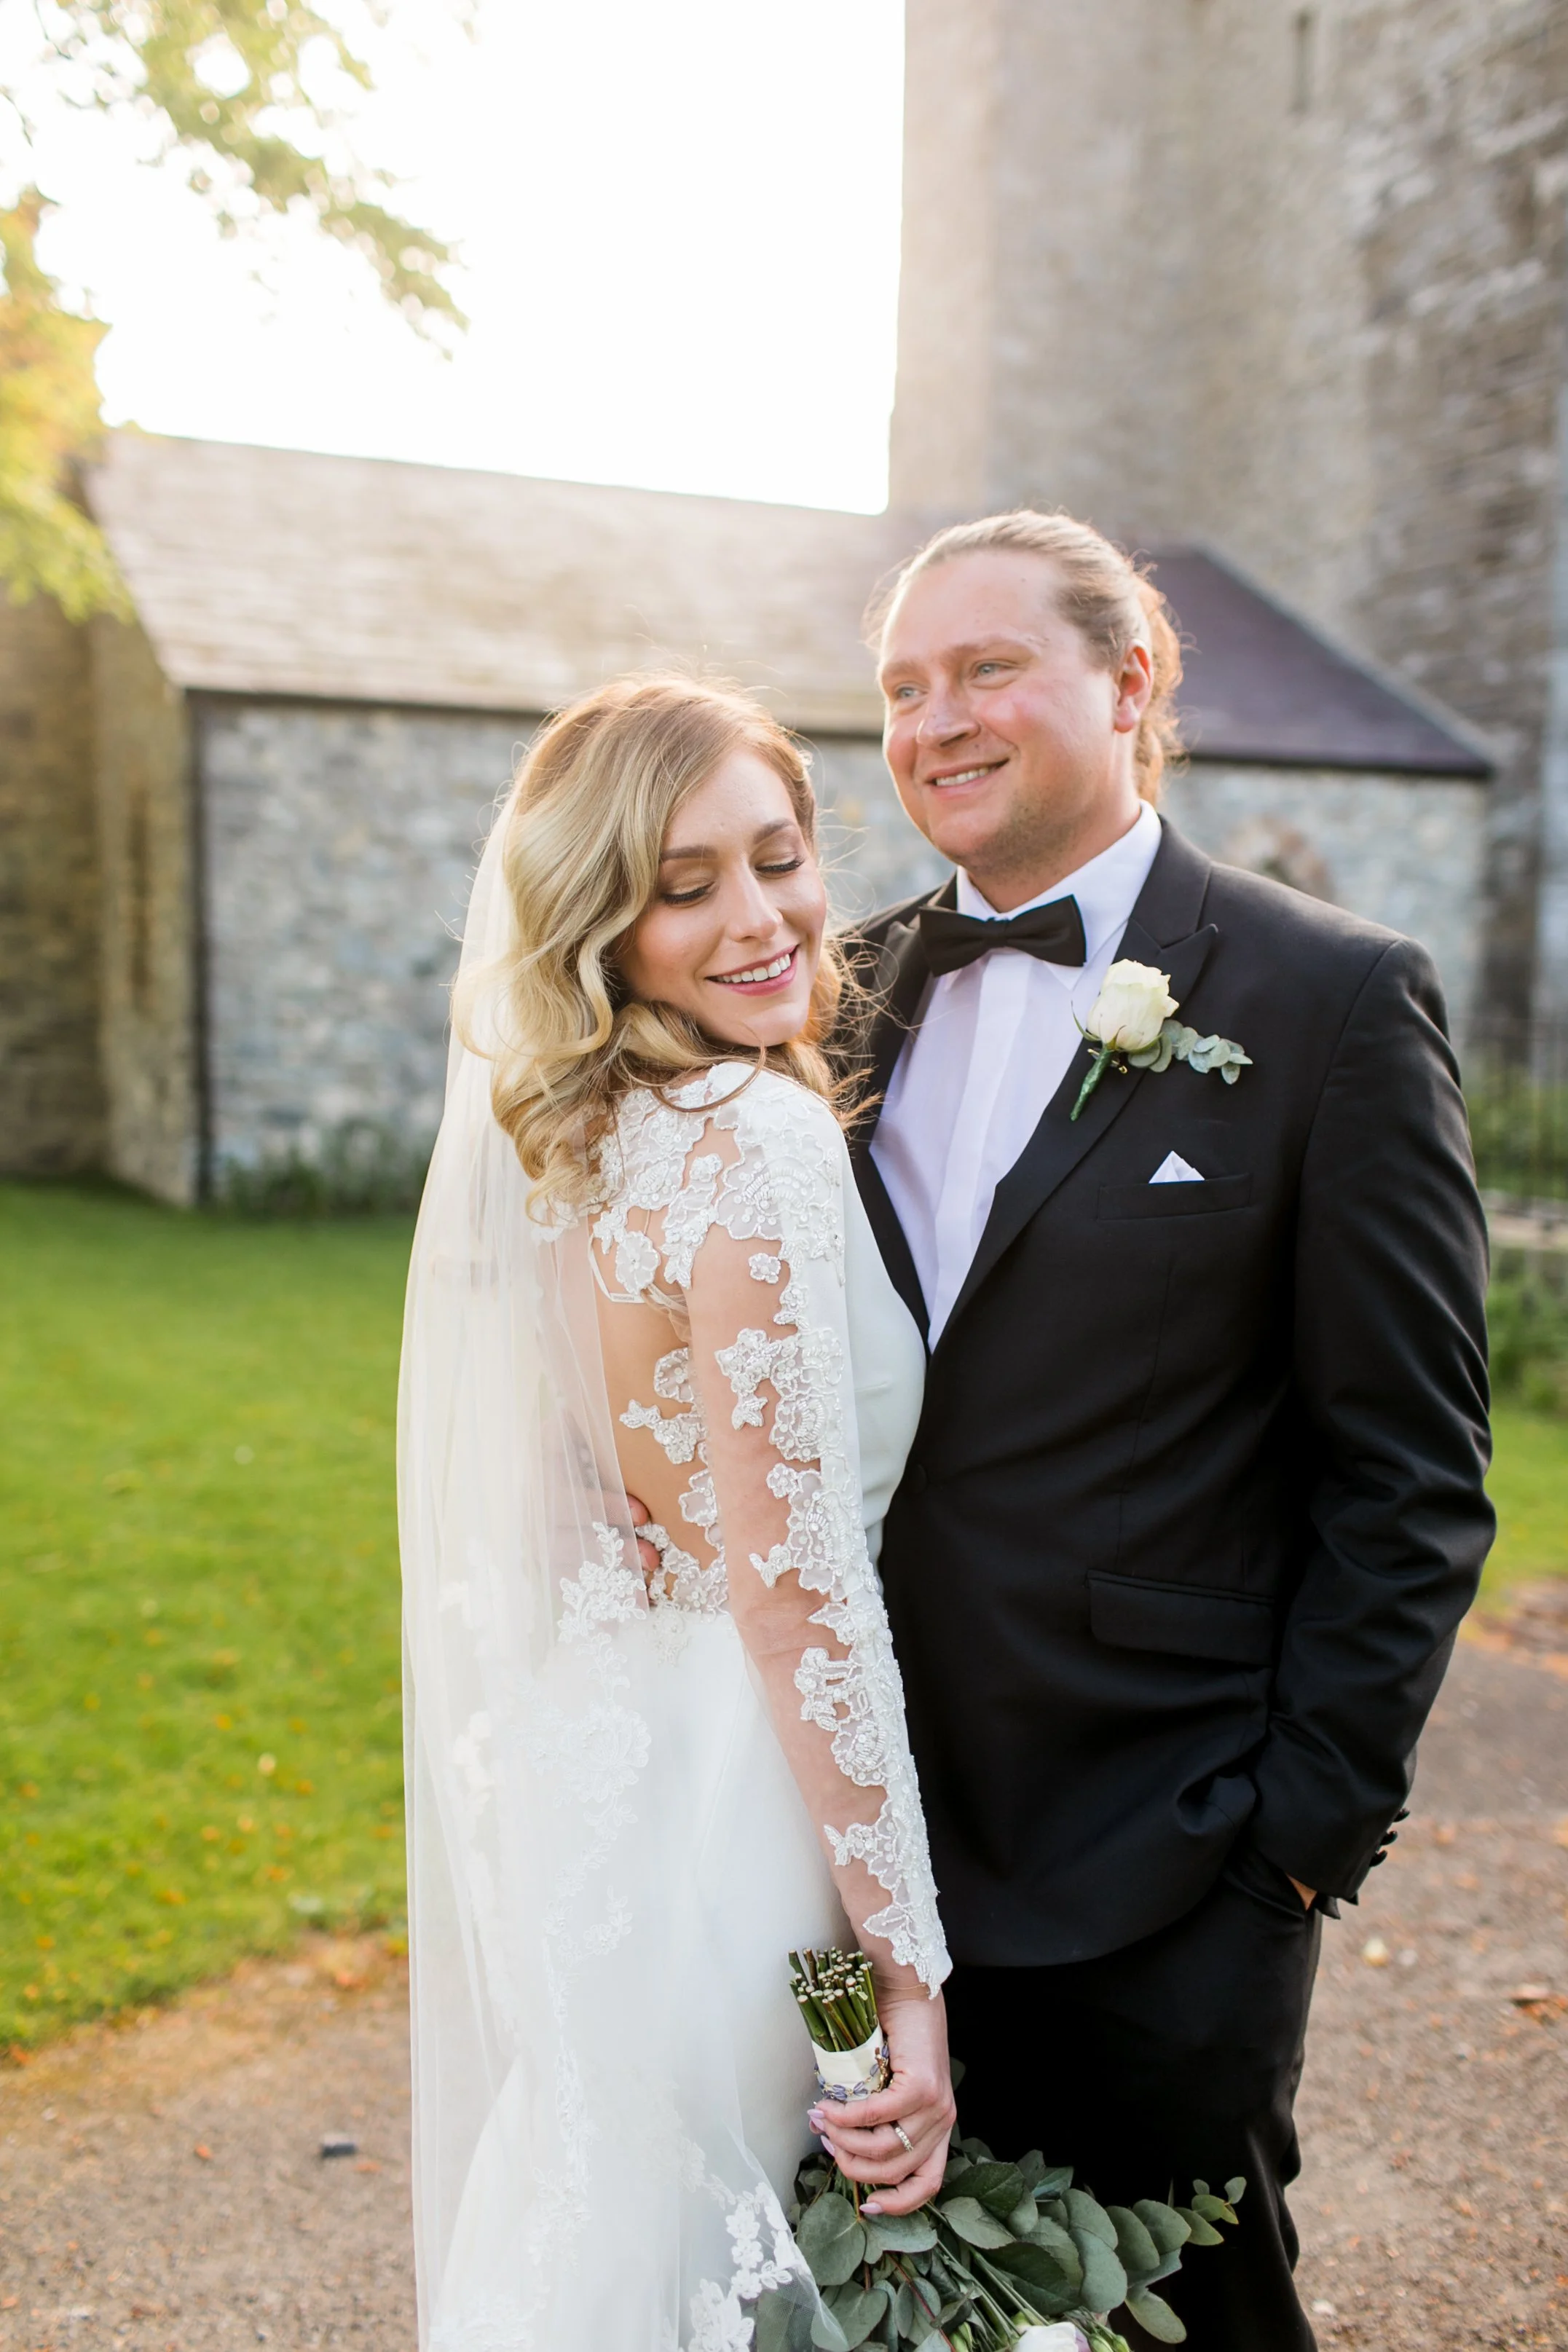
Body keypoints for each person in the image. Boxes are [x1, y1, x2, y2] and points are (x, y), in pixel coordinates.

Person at [822, 511, 1494, 2351]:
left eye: (984, 670)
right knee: (868, 2310)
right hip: (842, 1847)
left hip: (1160, 1856)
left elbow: (1409, 1476)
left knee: (1180, 2320)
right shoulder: (828, 1001)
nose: (933, 721)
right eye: (900, 687)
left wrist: (1288, 1851)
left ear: (1129, 683)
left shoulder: (1328, 999)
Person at [398, 677, 953, 2352]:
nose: (759, 918)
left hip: (610, 1770)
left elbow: (576, 1479)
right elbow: (798, 1596)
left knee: (613, 2230)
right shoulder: (756, 1132)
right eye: (682, 886)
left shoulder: (575, 1141)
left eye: (776, 858)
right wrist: (903, 1969)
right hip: (748, 1802)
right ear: (602, 925)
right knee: (744, 2249)